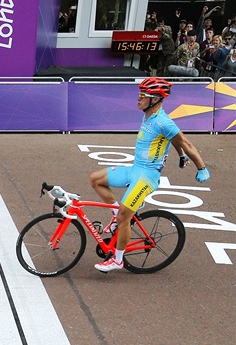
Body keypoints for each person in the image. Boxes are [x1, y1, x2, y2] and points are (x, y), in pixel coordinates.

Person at [89, 77, 210, 272]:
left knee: (124, 218)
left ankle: (117, 260)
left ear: (155, 100)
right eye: (139, 94)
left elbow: (185, 142)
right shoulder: (148, 115)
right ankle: (116, 215)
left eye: (143, 96)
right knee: (95, 179)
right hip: (134, 169)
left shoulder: (163, 121)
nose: (138, 99)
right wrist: (180, 156)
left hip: (147, 177)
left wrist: (201, 167)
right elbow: (172, 142)